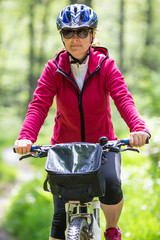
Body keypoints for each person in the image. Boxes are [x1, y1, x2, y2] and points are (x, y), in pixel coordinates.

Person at [14, 4, 150, 240]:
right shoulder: (53, 69)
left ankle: (111, 229)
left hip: (102, 146)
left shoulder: (105, 66)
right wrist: (26, 137)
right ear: (62, 36)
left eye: (82, 32)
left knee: (111, 185)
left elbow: (123, 98)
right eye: (68, 32)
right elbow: (39, 105)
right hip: (65, 149)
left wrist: (138, 128)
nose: (75, 38)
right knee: (59, 221)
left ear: (93, 35)